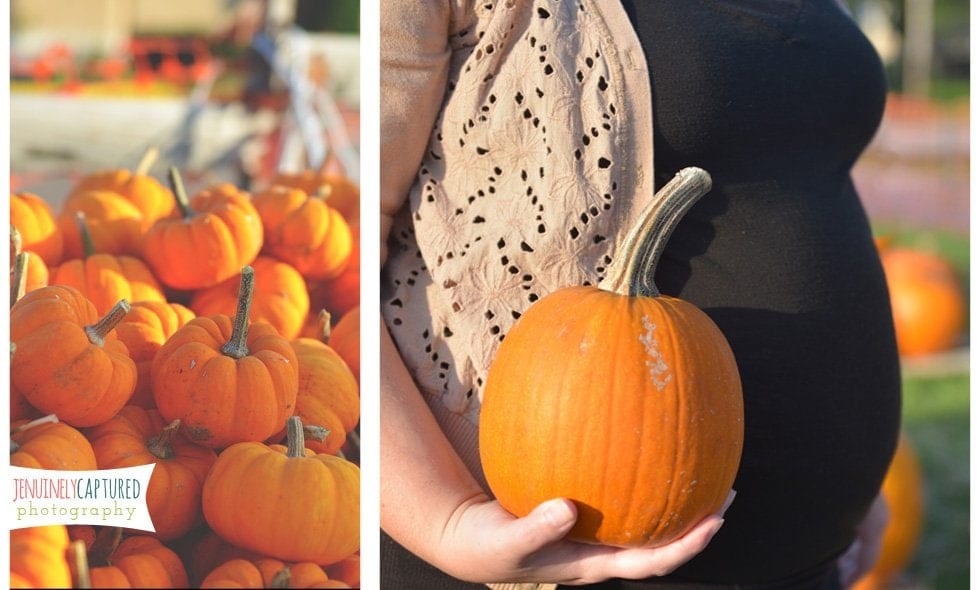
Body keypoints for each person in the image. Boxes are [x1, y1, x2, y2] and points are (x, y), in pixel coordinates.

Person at [380, 1, 901, 588]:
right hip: (535, 555)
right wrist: (447, 521)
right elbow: (338, 240)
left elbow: (788, 169)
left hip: (805, 556)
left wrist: (853, 471)